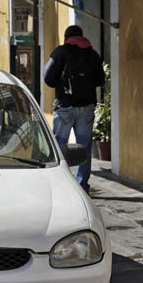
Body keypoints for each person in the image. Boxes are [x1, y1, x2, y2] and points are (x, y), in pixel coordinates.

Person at [43, 25, 104, 193]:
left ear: (66, 37)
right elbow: (100, 79)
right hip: (86, 107)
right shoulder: (92, 53)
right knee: (84, 147)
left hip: (65, 106)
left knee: (60, 146)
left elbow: (47, 77)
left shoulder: (61, 52)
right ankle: (82, 185)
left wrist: (61, 84)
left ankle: (60, 183)